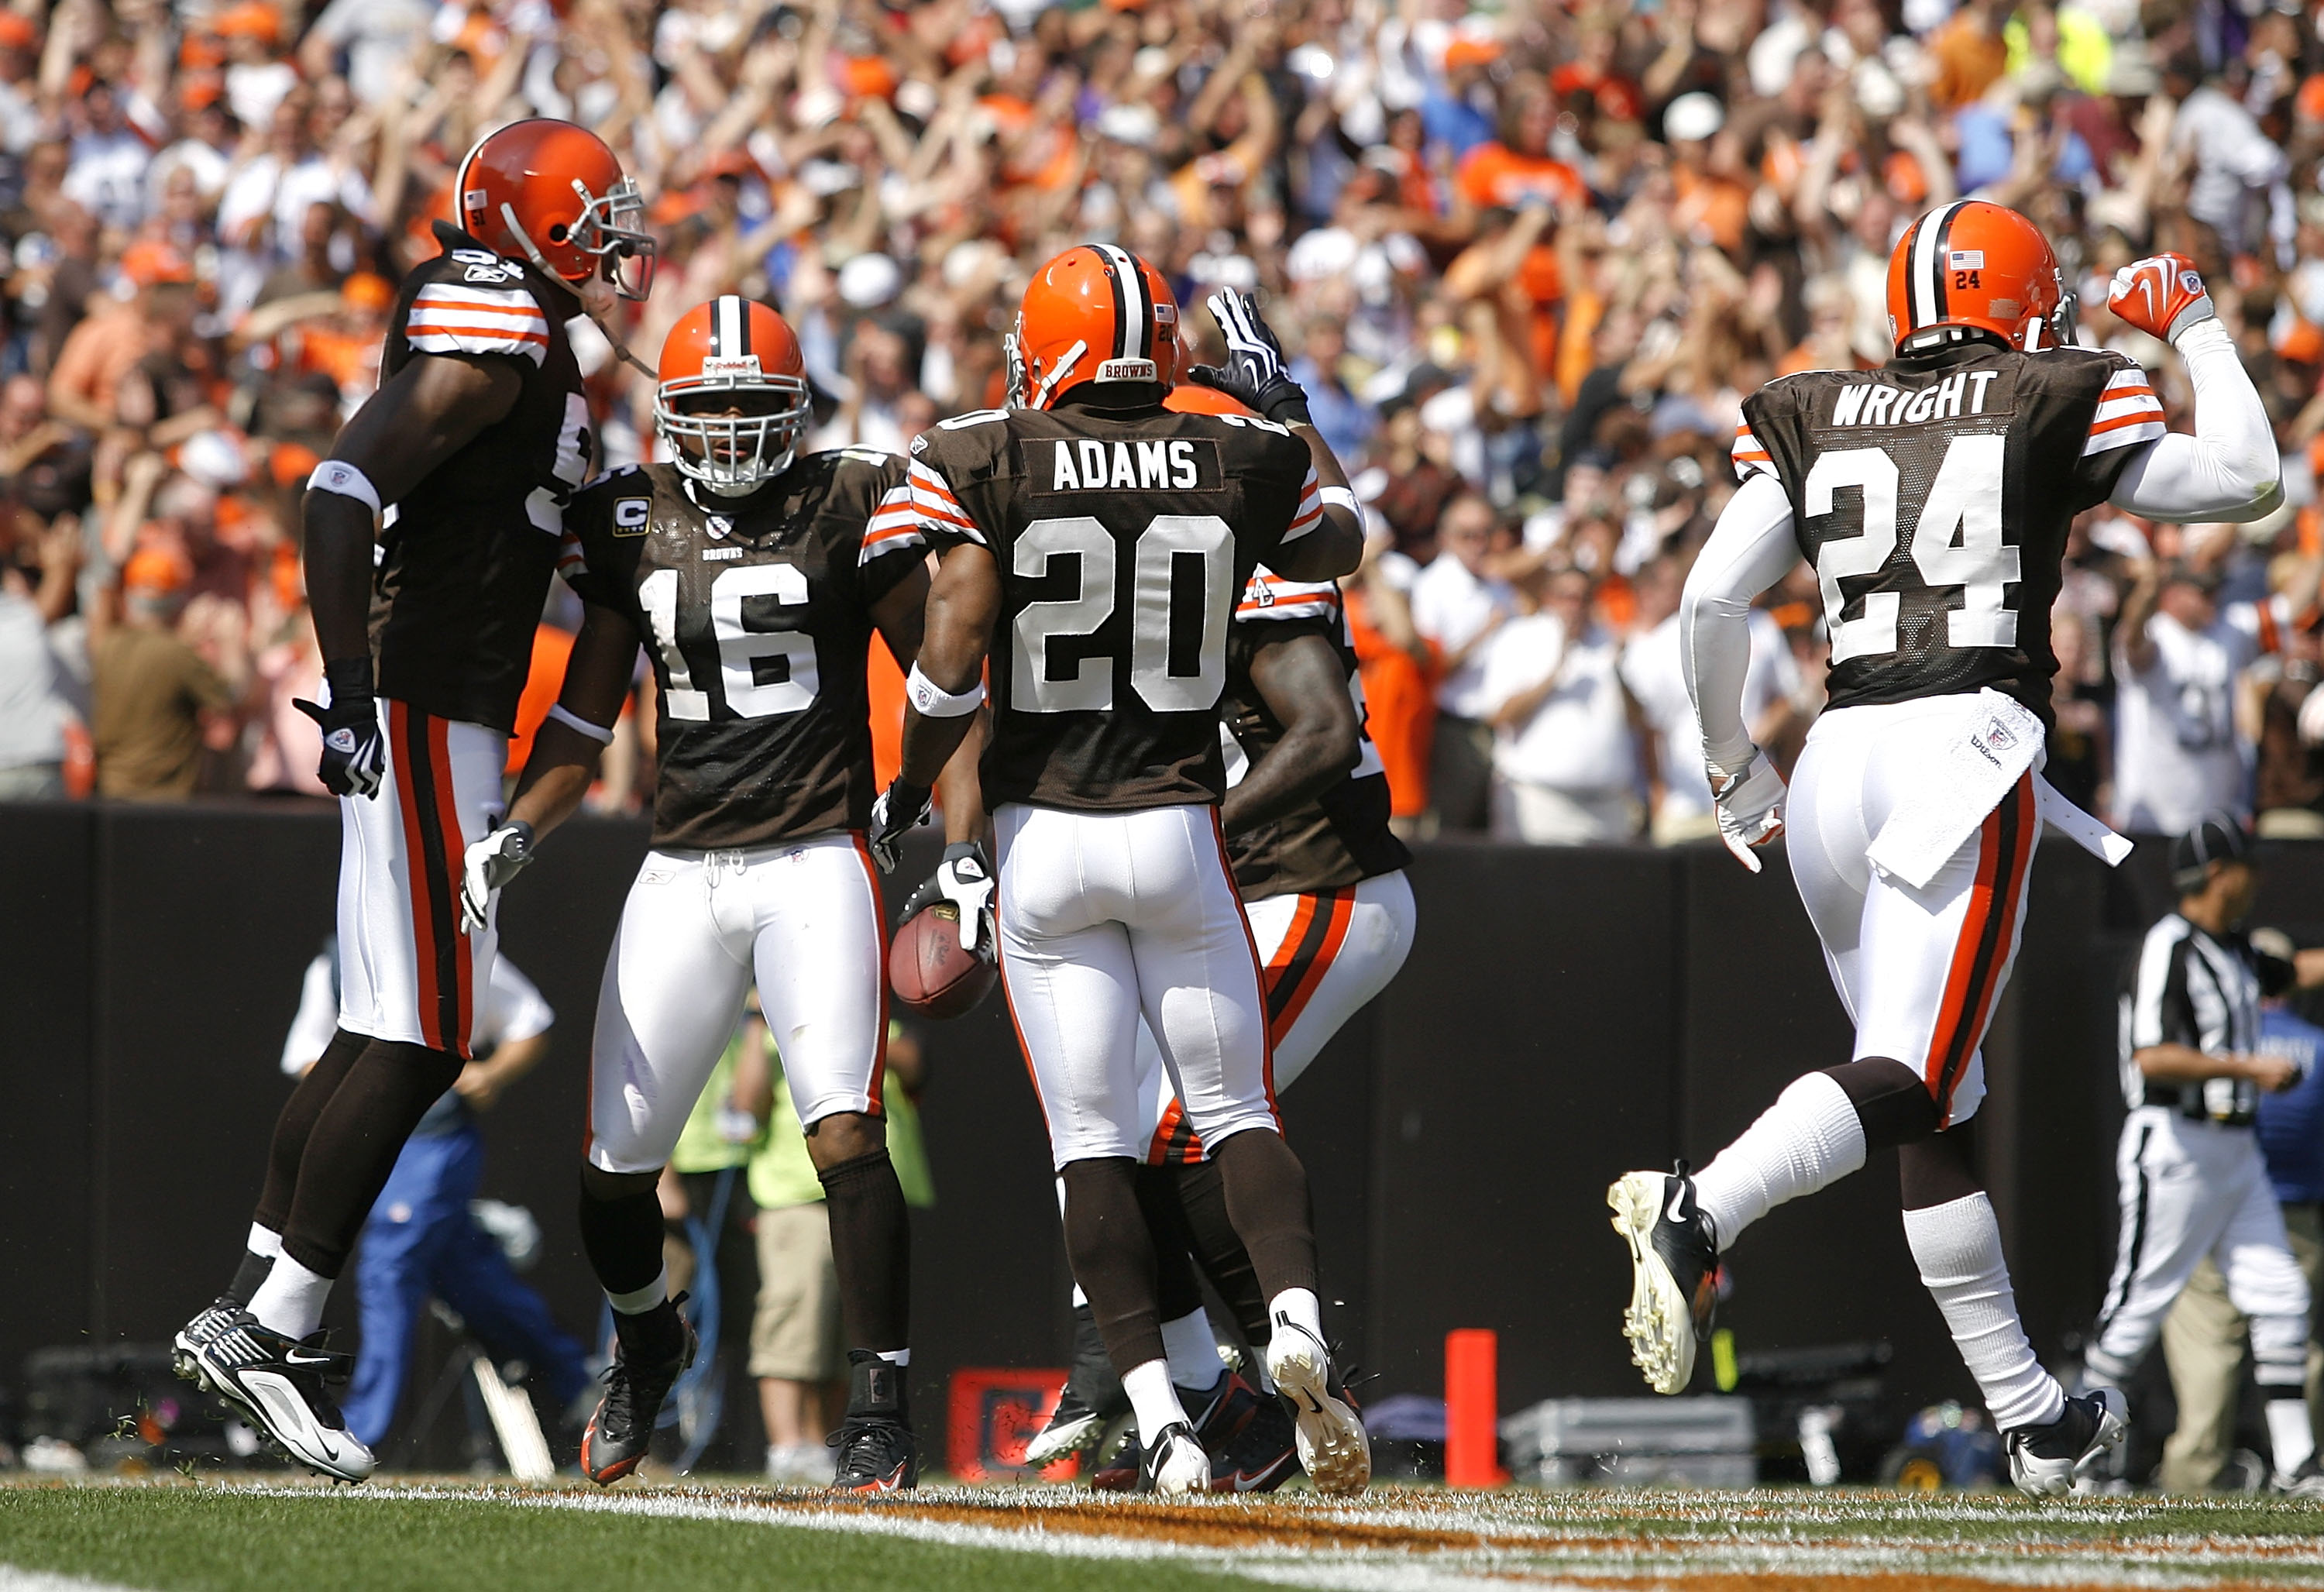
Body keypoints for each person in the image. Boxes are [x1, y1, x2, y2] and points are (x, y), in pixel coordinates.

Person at [1608, 204, 2281, 1497]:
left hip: (1830, 764)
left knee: (1934, 1107)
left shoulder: (1821, 409)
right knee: (1913, 1081)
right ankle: (1706, 1208)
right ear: (2028, 301)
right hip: (1962, 748)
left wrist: (1732, 764)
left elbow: (1707, 599)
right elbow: (2250, 480)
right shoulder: (2051, 390)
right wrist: (2195, 324)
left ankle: (2034, 1422)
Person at [174, 119, 652, 1483]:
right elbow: (341, 487)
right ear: (533, 227)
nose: (614, 248)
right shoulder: (491, 321)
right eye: (594, 221)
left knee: (379, 1023)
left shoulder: (544, 351)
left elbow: (567, 580)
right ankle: (274, 1328)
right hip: (424, 704)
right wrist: (347, 688)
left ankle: (259, 1303)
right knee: (433, 1035)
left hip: (450, 707)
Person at [463, 295, 981, 1491]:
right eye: (715, 408)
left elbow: (948, 684)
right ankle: (648, 1338)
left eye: (758, 408)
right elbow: (587, 717)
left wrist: (958, 845)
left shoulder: (849, 494)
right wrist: (515, 833)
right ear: (672, 414)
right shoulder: (633, 517)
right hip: (684, 861)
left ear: (796, 412)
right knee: (612, 1168)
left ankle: (878, 1405)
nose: (738, 432)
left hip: (815, 853)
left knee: (849, 1131)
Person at [871, 250, 1366, 1495]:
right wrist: (1287, 414)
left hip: (1045, 834)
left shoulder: (987, 448)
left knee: (1092, 1140)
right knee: (1233, 1112)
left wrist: (911, 793)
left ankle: (1158, 1418)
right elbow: (1341, 541)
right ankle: (1295, 1322)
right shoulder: (1236, 451)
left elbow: (939, 650)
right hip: (1178, 821)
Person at [1026, 377, 1417, 1491]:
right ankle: (1224, 1389)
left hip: (1316, 881)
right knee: (1134, 1136)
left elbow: (1326, 729)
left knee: (1174, 1128)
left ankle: (1229, 1374)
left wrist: (1196, 824)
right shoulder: (1169, 544)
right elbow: (1338, 522)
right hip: (1239, 884)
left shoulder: (1239, 560)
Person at [267, 941, 590, 1455]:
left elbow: (529, 1021)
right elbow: (305, 1057)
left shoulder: (459, 951)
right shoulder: (335, 965)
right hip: (374, 1144)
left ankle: (355, 1433)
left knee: (389, 1265)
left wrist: (492, 1073)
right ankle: (578, 1381)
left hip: (434, 1143)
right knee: (469, 1275)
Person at [2081, 818, 2324, 1490]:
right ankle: (2079, 1456)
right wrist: (2250, 1069)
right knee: (2137, 1308)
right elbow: (2152, 1055)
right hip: (2179, 1145)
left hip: (2237, 1153)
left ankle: (2298, 1463)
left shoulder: (2235, 949)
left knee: (2279, 1296)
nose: (2259, 878)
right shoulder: (2170, 945)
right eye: (2249, 866)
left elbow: (2294, 967)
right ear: (2219, 874)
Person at [2157, 927, 2324, 1494]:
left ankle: (2193, 1476)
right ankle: (2302, 1464)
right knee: (2297, 1342)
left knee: (2207, 1352)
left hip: (2210, 1206)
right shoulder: (2315, 1045)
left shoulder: (2209, 1050)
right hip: (2293, 1215)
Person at [746, 1020, 937, 1485]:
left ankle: (828, 1443)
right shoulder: (770, 1031)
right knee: (794, 1323)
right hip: (797, 1195)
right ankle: (788, 1447)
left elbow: (914, 1069)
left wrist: (845, 1038)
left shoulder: (877, 1020)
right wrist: (757, 1027)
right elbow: (746, 1106)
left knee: (846, 1334)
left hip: (870, 1200)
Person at [2111, 558, 2317, 836]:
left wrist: (2318, 547)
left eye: (2216, 589)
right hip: (2153, 818)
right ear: (2172, 593)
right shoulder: (2157, 634)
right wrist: (2147, 590)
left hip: (2216, 816)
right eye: (2203, 592)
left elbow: (2289, 608)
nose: (2213, 597)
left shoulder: (2229, 627)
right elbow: (2133, 641)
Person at [1480, 560, 1646, 844]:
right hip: (1540, 803)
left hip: (1606, 806)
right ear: (1548, 598)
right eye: (1566, 597)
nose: (1575, 606)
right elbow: (1499, 715)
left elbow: (1639, 720)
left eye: (1583, 598)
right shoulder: (1521, 636)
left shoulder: (1608, 641)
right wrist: (1554, 672)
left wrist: (1618, 670)